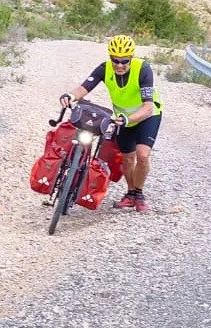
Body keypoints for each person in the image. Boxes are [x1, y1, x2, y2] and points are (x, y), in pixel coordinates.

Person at [59, 35, 163, 213]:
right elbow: (84, 87)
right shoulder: (104, 68)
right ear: (110, 58)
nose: (120, 65)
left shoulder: (143, 69)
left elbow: (148, 107)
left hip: (146, 117)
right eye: (115, 60)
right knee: (127, 158)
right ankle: (130, 194)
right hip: (122, 118)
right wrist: (70, 96)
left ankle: (139, 193)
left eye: (124, 61)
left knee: (142, 155)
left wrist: (131, 119)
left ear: (131, 58)